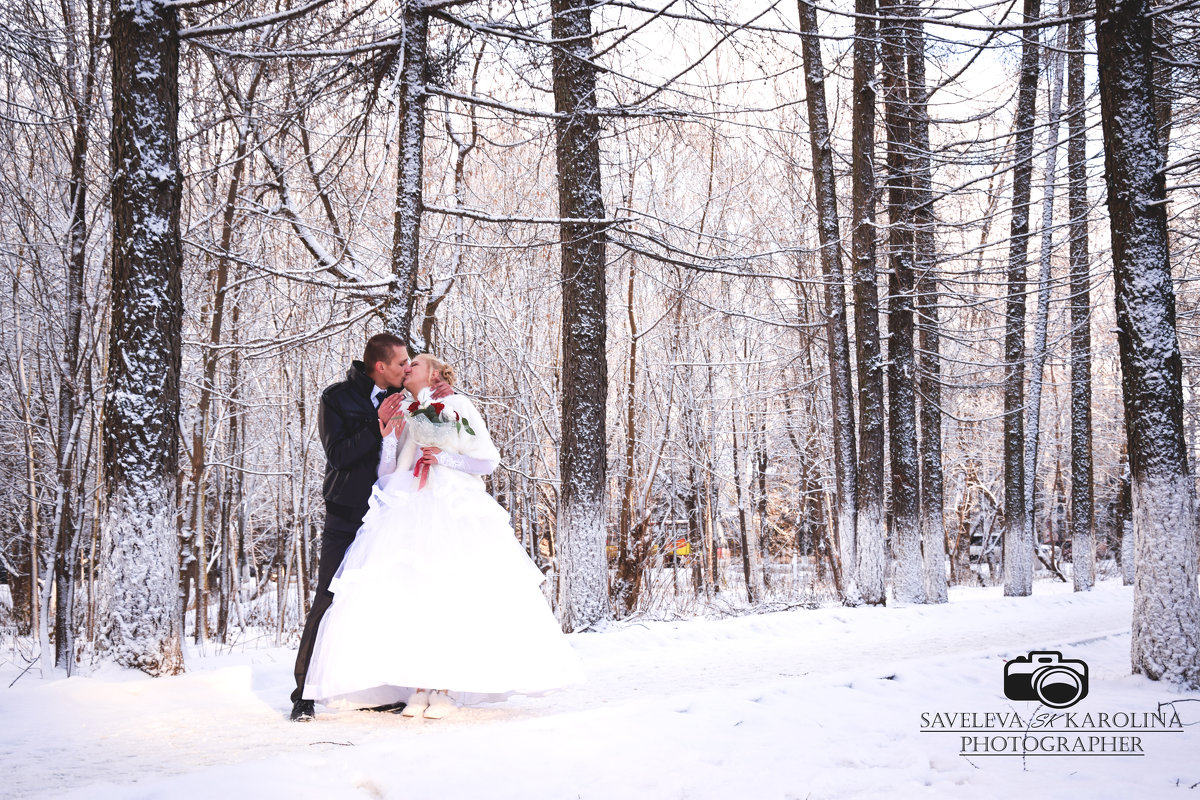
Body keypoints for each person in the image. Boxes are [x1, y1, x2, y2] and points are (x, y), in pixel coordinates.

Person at [301, 353, 583, 719]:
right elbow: (389, 470)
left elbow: (487, 460)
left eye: (414, 364)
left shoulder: (456, 405)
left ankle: (446, 689)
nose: (407, 369)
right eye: (404, 364)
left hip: (453, 507)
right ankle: (419, 686)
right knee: (415, 596)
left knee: (453, 594)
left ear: (434, 373)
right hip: (409, 508)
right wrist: (388, 437)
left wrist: (442, 459)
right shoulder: (404, 408)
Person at [289, 334, 450, 722]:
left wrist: (442, 387)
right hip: (349, 513)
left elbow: (440, 418)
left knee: (390, 599)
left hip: (394, 517)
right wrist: (377, 427)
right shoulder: (337, 397)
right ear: (381, 366)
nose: (407, 368)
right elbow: (339, 454)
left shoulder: (410, 400)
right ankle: (303, 695)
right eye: (401, 364)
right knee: (329, 596)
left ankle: (379, 688)